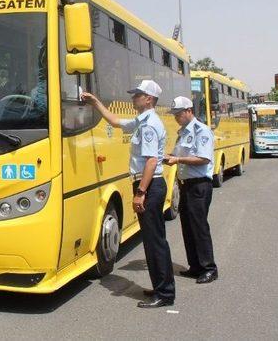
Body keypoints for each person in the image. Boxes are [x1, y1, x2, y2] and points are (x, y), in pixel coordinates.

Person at [82, 79, 175, 308]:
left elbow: (152, 161)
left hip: (150, 185)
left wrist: (140, 192)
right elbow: (116, 122)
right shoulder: (142, 120)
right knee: (152, 240)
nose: (134, 98)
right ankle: (161, 287)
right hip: (148, 185)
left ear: (149, 99)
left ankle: (164, 294)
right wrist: (95, 102)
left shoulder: (150, 124)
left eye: (138, 95)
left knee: (155, 242)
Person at [164, 96, 218, 284]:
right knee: (187, 227)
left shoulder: (201, 130)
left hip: (199, 185)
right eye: (174, 115)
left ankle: (209, 268)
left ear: (189, 111)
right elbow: (179, 155)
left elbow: (203, 158)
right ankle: (195, 266)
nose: (176, 117)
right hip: (186, 185)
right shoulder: (183, 132)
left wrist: (177, 160)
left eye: (178, 114)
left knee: (199, 227)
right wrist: (167, 156)